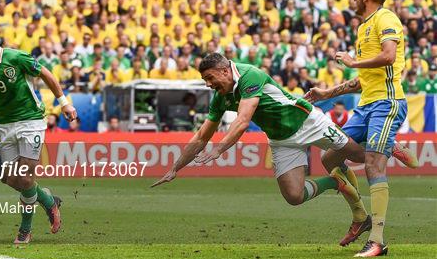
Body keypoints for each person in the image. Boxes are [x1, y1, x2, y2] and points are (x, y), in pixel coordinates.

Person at [152, 53, 370, 246]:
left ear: (225, 71)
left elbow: (243, 121)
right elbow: (201, 135)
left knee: (361, 155)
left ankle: (384, 142)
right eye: (205, 80)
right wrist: (175, 168)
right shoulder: (220, 98)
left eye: (210, 78)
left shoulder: (250, 75)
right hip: (281, 139)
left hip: (308, 122)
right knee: (294, 196)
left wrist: (219, 150)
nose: (208, 84)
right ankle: (336, 181)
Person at [305, 0, 417, 257]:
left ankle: (377, 241)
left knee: (372, 166)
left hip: (387, 102)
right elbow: (363, 79)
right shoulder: (363, 27)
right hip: (366, 106)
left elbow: (389, 56)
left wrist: (354, 62)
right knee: (330, 156)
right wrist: (327, 93)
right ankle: (360, 216)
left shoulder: (386, 19)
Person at [0, 25, 77, 244]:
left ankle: (25, 230)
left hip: (30, 121)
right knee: (7, 177)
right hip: (5, 124)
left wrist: (64, 104)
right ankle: (47, 199)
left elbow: (46, 73)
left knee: (24, 177)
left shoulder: (15, 57)